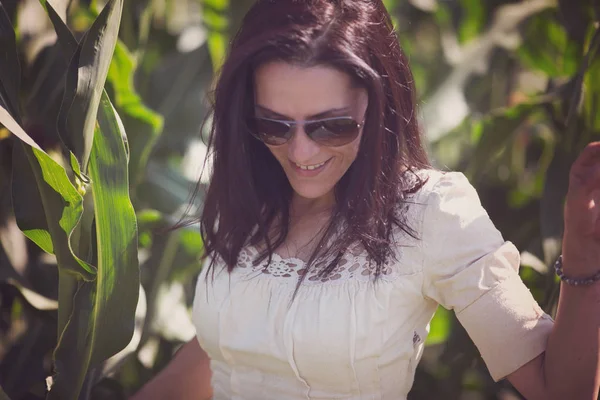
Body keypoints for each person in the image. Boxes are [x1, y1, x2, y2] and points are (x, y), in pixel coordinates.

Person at [131, 1, 600, 399]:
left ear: (379, 105)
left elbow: (559, 390)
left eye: (330, 125)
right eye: (273, 124)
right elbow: (217, 355)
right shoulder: (250, 192)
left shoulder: (433, 212)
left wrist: (582, 253)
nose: (300, 152)